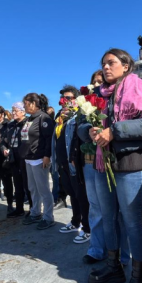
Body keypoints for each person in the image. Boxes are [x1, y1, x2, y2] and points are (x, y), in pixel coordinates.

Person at [79, 48, 142, 283]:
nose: (105, 67)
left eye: (111, 63)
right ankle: (114, 267)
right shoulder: (97, 96)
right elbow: (80, 125)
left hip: (131, 163)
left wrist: (113, 131)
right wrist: (89, 131)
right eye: (103, 64)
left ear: (126, 66)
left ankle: (139, 279)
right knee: (109, 216)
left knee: (132, 221)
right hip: (103, 164)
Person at [55, 85, 91, 244]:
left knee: (82, 196)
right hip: (63, 163)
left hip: (76, 162)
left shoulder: (80, 115)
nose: (65, 101)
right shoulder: (60, 117)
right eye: (63, 98)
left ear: (76, 100)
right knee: (72, 194)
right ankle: (75, 221)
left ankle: (88, 228)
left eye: (69, 98)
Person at [19, 93, 55, 230]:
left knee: (43, 189)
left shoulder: (44, 118)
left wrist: (47, 156)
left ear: (33, 103)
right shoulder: (29, 119)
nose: (24, 106)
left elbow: (48, 138)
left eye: (26, 103)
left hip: (39, 159)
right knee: (33, 188)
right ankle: (35, 212)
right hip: (28, 159)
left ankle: (48, 217)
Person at [1, 102, 31, 218]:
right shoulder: (10, 125)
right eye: (12, 110)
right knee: (17, 185)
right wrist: (4, 148)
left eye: (16, 111)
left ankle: (33, 209)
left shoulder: (28, 123)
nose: (13, 113)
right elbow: (4, 140)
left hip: (25, 157)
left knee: (28, 185)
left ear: (23, 112)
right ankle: (19, 209)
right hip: (13, 158)